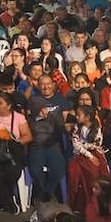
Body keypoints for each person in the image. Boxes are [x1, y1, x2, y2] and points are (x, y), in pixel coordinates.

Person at [27, 74, 69, 203]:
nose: (46, 87)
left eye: (48, 83)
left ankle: (47, 193)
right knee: (34, 168)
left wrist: (66, 127)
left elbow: (63, 124)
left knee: (59, 168)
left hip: (53, 144)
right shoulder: (32, 108)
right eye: (43, 84)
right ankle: (42, 191)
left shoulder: (57, 106)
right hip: (36, 145)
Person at [67, 104, 109, 214]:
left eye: (79, 115)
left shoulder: (96, 128)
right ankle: (80, 204)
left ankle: (97, 202)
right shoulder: (77, 128)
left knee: (96, 171)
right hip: (81, 155)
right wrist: (87, 153)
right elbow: (76, 144)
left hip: (95, 153)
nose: (76, 117)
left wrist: (86, 147)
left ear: (87, 117)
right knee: (76, 173)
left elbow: (97, 144)